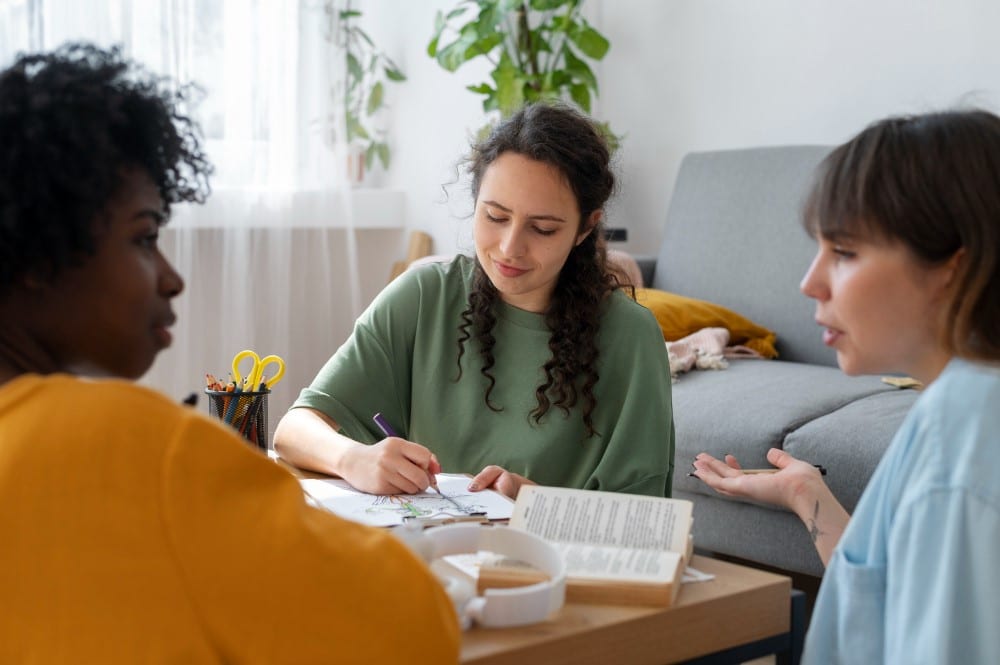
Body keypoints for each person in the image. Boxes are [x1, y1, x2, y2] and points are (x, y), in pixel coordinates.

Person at [0, 43, 459, 663]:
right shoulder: (144, 449)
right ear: (35, 255)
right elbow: (413, 626)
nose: (171, 277)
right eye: (143, 238)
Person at [690, 109, 1000, 663]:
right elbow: (882, 605)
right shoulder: (956, 402)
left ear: (954, 265)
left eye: (846, 252)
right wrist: (803, 492)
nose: (809, 282)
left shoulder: (965, 437)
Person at [274, 103, 674, 500]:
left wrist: (542, 504)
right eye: (495, 217)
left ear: (586, 228)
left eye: (543, 229)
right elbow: (295, 429)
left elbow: (646, 520)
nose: (509, 247)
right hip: (423, 552)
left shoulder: (631, 337)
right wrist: (354, 458)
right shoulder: (423, 296)